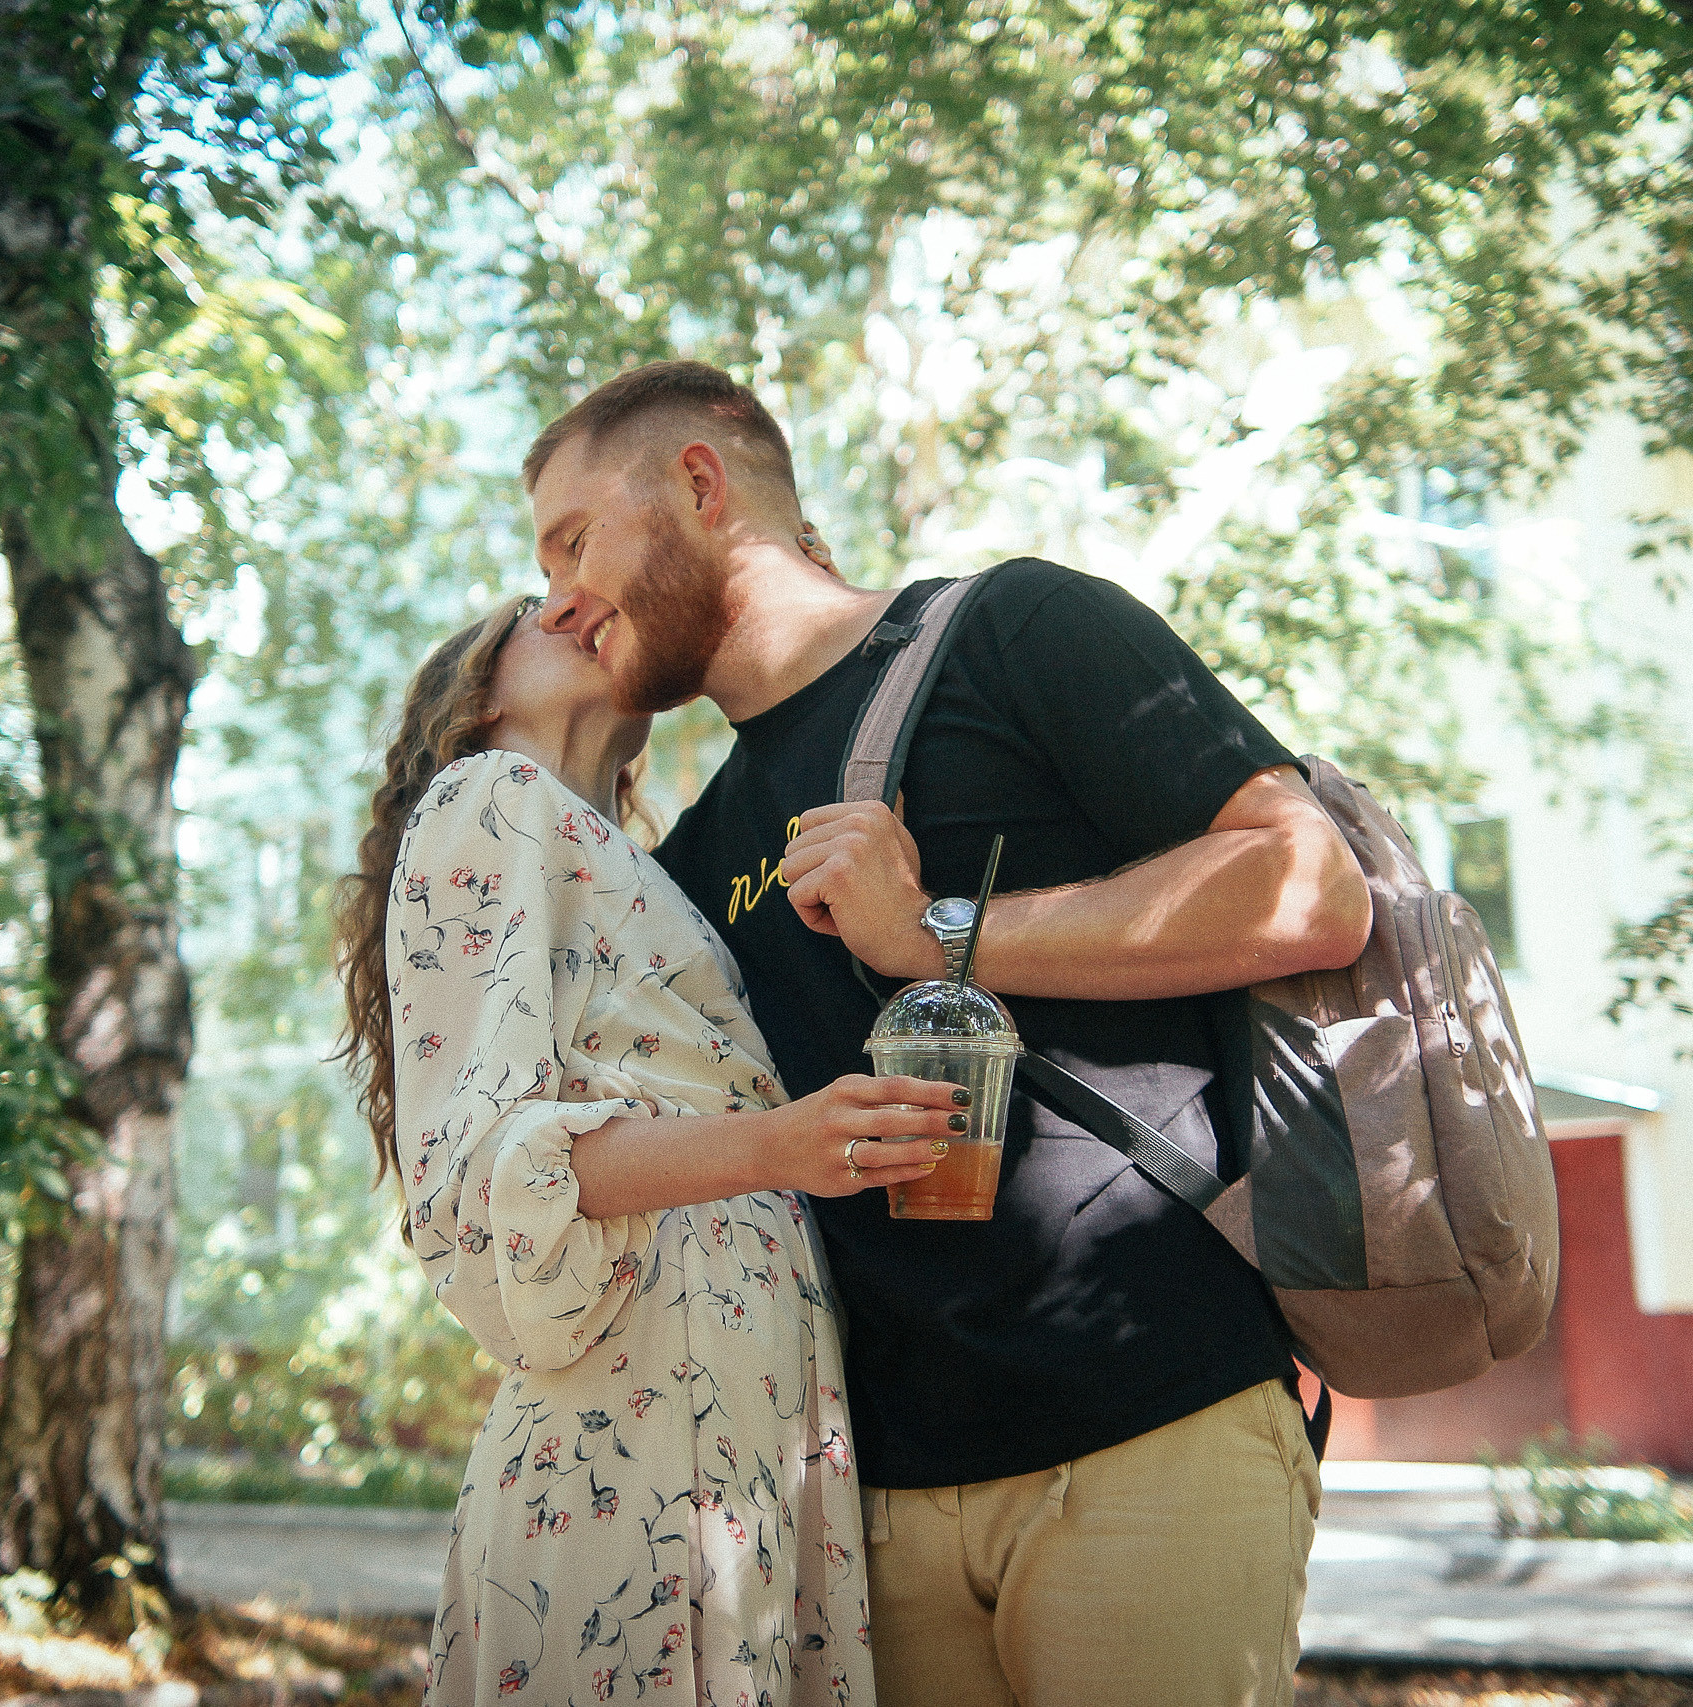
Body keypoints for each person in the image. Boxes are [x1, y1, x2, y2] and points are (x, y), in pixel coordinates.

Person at [526, 361, 1373, 1707]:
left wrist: (940, 937)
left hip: (1151, 1421)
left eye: (574, 539)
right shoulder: (688, 863)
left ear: (699, 481)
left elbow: (1310, 887)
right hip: (878, 1499)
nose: (560, 591)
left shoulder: (1019, 629)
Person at [335, 590, 972, 1707]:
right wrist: (778, 1144)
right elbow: (491, 1170)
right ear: (477, 689)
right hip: (638, 1386)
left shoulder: (632, 857)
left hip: (735, 1381)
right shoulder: (489, 795)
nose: (580, 603)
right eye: (538, 606)